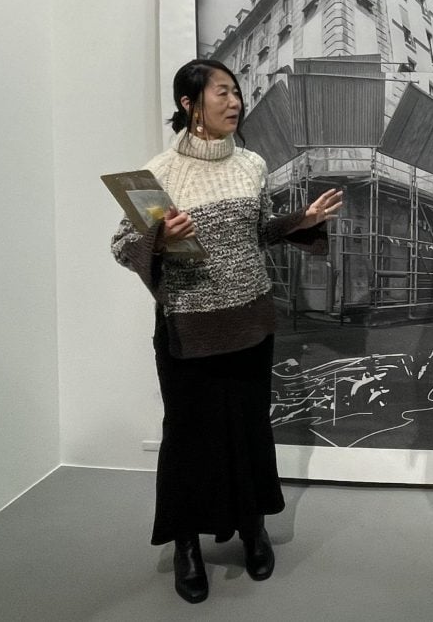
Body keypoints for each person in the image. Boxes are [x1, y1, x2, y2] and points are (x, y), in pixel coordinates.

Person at [111, 59, 341, 604]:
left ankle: (252, 525)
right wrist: (161, 238)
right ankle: (187, 542)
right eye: (222, 93)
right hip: (189, 328)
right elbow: (123, 246)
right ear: (190, 105)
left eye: (237, 93)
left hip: (251, 320)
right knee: (189, 436)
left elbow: (258, 231)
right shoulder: (158, 173)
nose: (234, 102)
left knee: (250, 429)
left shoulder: (253, 164)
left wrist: (299, 223)